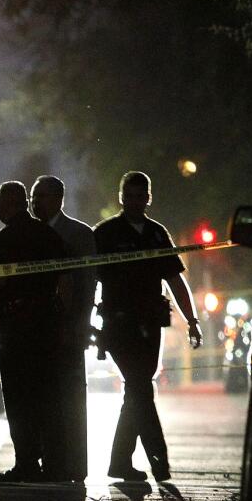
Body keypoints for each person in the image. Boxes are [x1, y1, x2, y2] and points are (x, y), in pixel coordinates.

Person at [92, 171, 202, 483]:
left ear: (148, 198)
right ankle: (159, 460)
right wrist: (85, 323)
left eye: (141, 196)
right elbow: (87, 279)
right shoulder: (106, 234)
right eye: (130, 196)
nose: (135, 201)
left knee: (138, 388)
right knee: (140, 385)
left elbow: (175, 280)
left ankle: (120, 462)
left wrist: (192, 321)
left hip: (150, 324)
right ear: (121, 197)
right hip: (117, 324)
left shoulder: (157, 234)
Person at [0, 181, 69, 482]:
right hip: (47, 328)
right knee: (45, 396)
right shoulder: (47, 234)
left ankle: (26, 462)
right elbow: (65, 278)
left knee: (18, 398)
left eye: (1, 203)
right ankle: (53, 461)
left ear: (9, 204)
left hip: (16, 329)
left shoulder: (5, 238)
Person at [30, 175, 97, 483]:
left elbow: (87, 283)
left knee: (71, 398)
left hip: (68, 329)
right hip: (38, 330)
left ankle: (75, 464)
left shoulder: (79, 234)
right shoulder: (30, 234)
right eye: (33, 197)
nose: (35, 203)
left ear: (57, 199)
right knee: (45, 400)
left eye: (40, 196)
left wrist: (81, 324)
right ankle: (51, 462)